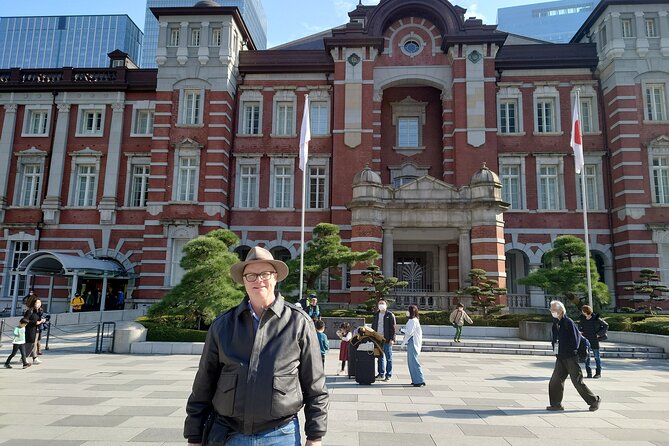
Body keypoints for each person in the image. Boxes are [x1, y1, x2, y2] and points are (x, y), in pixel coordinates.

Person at [184, 246, 328, 446]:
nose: (258, 280)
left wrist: (315, 436)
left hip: (281, 434)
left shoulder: (298, 322)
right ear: (243, 281)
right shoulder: (223, 325)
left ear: (275, 277)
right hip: (230, 434)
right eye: (251, 275)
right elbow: (203, 384)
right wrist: (194, 435)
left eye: (265, 274)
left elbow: (315, 385)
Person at [547, 300, 600, 412]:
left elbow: (575, 340)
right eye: (551, 309)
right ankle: (556, 404)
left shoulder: (568, 322)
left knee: (577, 381)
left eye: (553, 309)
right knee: (555, 381)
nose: (551, 311)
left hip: (570, 356)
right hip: (560, 357)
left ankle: (594, 401)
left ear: (560, 310)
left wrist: (572, 352)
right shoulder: (556, 323)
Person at [578, 305, 609, 379]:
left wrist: (599, 334)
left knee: (597, 357)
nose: (582, 312)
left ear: (586, 311)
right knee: (587, 357)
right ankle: (589, 373)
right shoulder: (582, 319)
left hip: (594, 340)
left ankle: (598, 373)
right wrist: (581, 332)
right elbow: (580, 327)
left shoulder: (596, 318)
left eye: (583, 311)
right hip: (586, 340)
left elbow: (606, 325)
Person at [371, 298, 396, 381]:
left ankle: (388, 375)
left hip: (387, 339)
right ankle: (381, 373)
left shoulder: (390, 315)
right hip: (377, 339)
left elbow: (393, 329)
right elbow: (373, 327)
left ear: (386, 305)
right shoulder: (376, 315)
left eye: (382, 303)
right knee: (379, 357)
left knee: (388, 358)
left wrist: (392, 339)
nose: (381, 305)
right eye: (379, 303)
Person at [402, 305, 425, 387]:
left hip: (412, 342)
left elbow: (409, 332)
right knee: (411, 361)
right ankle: (416, 379)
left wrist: (401, 330)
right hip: (412, 341)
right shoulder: (414, 320)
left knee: (413, 361)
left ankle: (419, 380)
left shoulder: (413, 321)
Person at [23, 296, 46, 365]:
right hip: (30, 330)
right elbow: (25, 320)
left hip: (37, 329)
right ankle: (24, 358)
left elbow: (40, 318)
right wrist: (35, 322)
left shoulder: (39, 311)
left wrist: (43, 320)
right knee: (30, 344)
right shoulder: (29, 311)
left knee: (35, 344)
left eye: (39, 302)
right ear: (33, 303)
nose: (38, 304)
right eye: (37, 303)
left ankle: (35, 358)